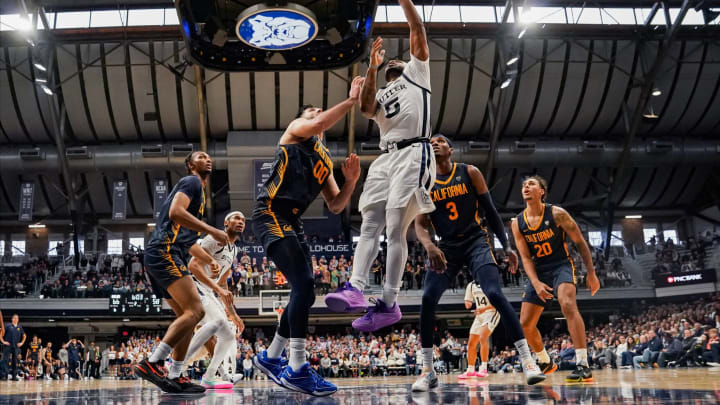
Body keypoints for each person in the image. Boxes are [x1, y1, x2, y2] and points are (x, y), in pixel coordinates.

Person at [326, 0, 437, 332]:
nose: (395, 61)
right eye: (391, 62)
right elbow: (364, 108)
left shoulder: (417, 73)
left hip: (413, 152)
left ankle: (389, 302)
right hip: (385, 158)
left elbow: (417, 30)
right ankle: (356, 288)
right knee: (369, 223)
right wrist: (372, 67)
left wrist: (404, 1)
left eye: (396, 60)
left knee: (394, 226)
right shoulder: (382, 90)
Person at [251, 76, 363, 397]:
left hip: (293, 222)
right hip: (271, 212)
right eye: (313, 111)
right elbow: (320, 121)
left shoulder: (324, 159)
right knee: (302, 285)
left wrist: (352, 181)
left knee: (307, 291)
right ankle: (297, 367)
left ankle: (271, 356)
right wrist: (352, 100)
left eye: (319, 112)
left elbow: (336, 203)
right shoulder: (296, 130)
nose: (318, 113)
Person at [411, 135, 544, 391]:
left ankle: (528, 362)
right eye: (432, 141)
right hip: (447, 246)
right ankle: (428, 370)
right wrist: (429, 246)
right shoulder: (425, 184)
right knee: (427, 298)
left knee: (494, 292)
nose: (435, 143)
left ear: (451, 149)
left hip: (476, 241)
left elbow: (491, 212)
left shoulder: (469, 172)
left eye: (441, 141)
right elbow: (420, 225)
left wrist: (506, 247)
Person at [135, 151, 229, 394]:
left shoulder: (199, 193)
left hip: (164, 253)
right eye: (201, 156)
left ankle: (176, 375)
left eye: (209, 157)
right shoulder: (192, 182)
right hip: (163, 251)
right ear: (190, 165)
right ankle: (153, 362)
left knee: (187, 318)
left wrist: (209, 259)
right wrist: (214, 231)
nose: (207, 159)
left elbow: (188, 242)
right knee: (196, 310)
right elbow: (175, 213)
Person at [512, 175, 600, 383]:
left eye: (531, 184)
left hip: (561, 265)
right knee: (524, 323)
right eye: (524, 184)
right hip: (539, 270)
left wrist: (591, 272)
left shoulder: (558, 214)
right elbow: (525, 257)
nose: (526, 186)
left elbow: (580, 242)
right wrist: (535, 282)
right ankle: (545, 360)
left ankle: (582, 364)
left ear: (542, 191)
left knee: (568, 305)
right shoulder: (517, 223)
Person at [181, 211, 247, 388]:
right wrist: (216, 287)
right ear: (226, 222)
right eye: (236, 218)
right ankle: (176, 365)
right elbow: (193, 266)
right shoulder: (214, 239)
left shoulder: (234, 250)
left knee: (226, 335)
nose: (241, 222)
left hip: (209, 291)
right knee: (217, 325)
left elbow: (223, 282)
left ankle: (210, 376)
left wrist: (233, 314)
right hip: (194, 286)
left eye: (243, 220)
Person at [458, 281, 499, 379]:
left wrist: (484, 309)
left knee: (483, 337)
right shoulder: (471, 285)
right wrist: (469, 303)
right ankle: (470, 370)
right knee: (471, 344)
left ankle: (484, 368)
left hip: (492, 312)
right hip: (480, 314)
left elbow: (499, 303)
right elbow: (468, 304)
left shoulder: (490, 282)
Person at [1, 314, 25, 380]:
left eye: (17, 318)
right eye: (14, 318)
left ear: (18, 319)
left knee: (15, 361)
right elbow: (1, 333)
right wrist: (3, 341)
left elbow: (24, 336)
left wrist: (22, 343)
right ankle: (4, 376)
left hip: (15, 346)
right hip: (7, 346)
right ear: (12, 319)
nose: (15, 319)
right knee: (5, 360)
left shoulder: (19, 327)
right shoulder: (8, 326)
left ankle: (14, 376)